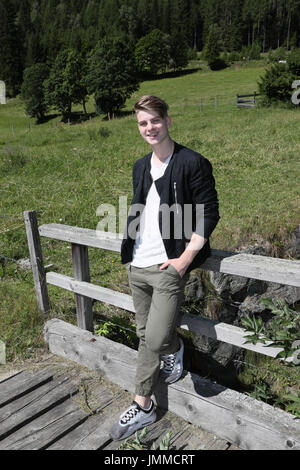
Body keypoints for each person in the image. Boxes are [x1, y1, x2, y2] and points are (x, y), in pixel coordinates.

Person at [109, 95, 219, 440]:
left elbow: (208, 213)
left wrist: (184, 261)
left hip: (169, 267)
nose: (149, 128)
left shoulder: (192, 162)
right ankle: (166, 365)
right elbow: (140, 208)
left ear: (168, 120)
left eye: (155, 120)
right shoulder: (140, 166)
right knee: (147, 336)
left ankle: (145, 399)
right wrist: (129, 248)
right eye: (143, 123)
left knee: (154, 337)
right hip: (137, 266)